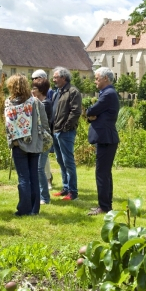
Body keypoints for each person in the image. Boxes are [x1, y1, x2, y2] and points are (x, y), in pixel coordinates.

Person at [5, 74, 49, 216]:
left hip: (18, 144)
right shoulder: (36, 103)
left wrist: (15, 140)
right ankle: (34, 209)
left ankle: (24, 209)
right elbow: (45, 123)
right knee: (33, 176)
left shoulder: (9, 103)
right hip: (35, 144)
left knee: (23, 177)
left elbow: (8, 126)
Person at [86, 67, 120, 215]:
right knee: (104, 173)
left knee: (102, 173)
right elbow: (92, 114)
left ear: (106, 78)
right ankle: (106, 205)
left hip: (106, 138)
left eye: (97, 78)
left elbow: (90, 111)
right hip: (106, 138)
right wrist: (93, 115)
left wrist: (92, 114)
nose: (95, 81)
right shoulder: (107, 93)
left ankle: (104, 206)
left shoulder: (108, 94)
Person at [51, 67, 82, 201]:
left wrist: (65, 127)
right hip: (56, 132)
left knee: (68, 161)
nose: (53, 79)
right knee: (60, 161)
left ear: (64, 78)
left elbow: (75, 112)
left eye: (56, 77)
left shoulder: (73, 92)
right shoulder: (57, 92)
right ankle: (65, 188)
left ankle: (73, 192)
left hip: (65, 132)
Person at [31, 70, 54, 190]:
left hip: (43, 138)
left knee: (42, 165)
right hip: (39, 137)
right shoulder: (40, 102)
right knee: (40, 165)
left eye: (34, 88)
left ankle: (46, 185)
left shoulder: (45, 103)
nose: (32, 90)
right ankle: (43, 185)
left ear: (40, 90)